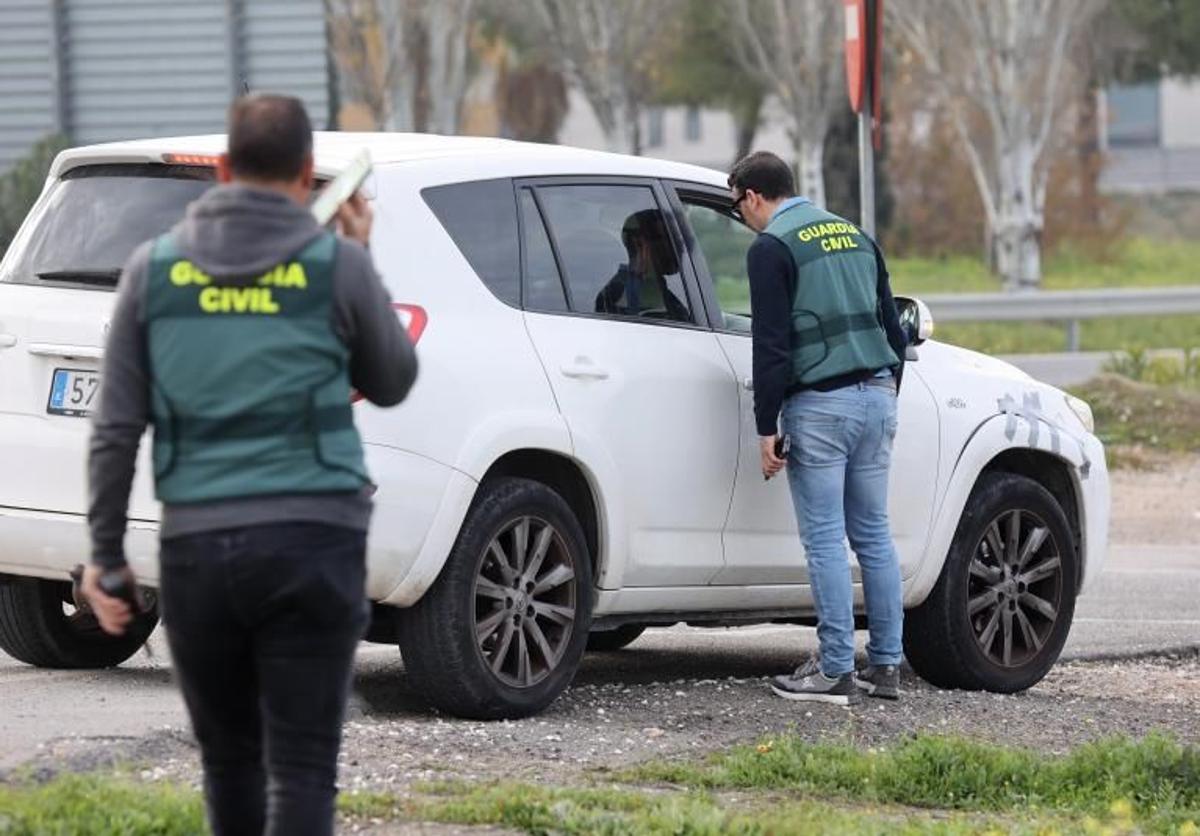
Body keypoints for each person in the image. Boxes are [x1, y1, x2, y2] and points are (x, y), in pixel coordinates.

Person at [80, 94, 417, 835]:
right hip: (314, 542)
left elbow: (115, 428)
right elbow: (393, 382)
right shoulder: (335, 264)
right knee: (301, 768)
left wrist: (105, 559)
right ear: (307, 175)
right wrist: (360, 257)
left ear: (225, 168)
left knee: (230, 764)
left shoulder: (153, 270)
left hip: (202, 548)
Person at [728, 151, 907, 705]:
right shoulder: (856, 236)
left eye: (739, 207)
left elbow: (772, 345)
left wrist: (766, 426)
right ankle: (886, 666)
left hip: (820, 405)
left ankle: (833, 670)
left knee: (826, 539)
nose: (743, 218)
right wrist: (882, 393)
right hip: (878, 396)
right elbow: (893, 329)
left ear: (754, 196)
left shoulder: (772, 248)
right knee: (874, 535)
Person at [594, 209, 689, 321]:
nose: (682, 247)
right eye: (672, 239)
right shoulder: (618, 298)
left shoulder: (664, 294)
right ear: (639, 244)